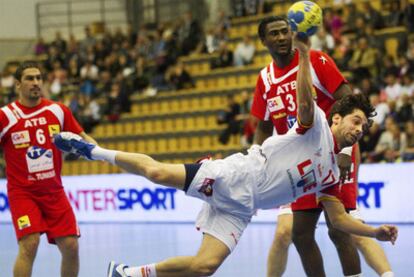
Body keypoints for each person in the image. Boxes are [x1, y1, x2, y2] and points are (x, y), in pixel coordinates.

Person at [54, 38, 397, 277]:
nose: (359, 130)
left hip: (243, 208)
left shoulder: (332, 173)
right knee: (156, 173)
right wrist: (305, 60)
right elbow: (305, 101)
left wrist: (373, 232)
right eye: (356, 121)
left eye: (364, 127)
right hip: (234, 175)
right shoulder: (318, 125)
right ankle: (93, 151)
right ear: (337, 117)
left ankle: (126, 273)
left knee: (205, 267)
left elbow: (338, 219)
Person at [252, 16, 393, 277]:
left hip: (337, 153)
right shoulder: (265, 79)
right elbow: (263, 126)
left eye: (285, 31)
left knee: (340, 229)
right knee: (300, 234)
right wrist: (255, 163)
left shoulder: (316, 60)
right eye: (275, 34)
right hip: (301, 164)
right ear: (263, 41)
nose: (282, 37)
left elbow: (352, 106)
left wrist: (346, 151)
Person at [1, 61, 96, 277]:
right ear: (17, 84)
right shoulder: (5, 116)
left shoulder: (58, 110)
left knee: (71, 245)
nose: (35, 83)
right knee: (30, 244)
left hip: (54, 192)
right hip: (23, 193)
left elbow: (83, 138)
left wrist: (101, 153)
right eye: (29, 78)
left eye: (38, 78)